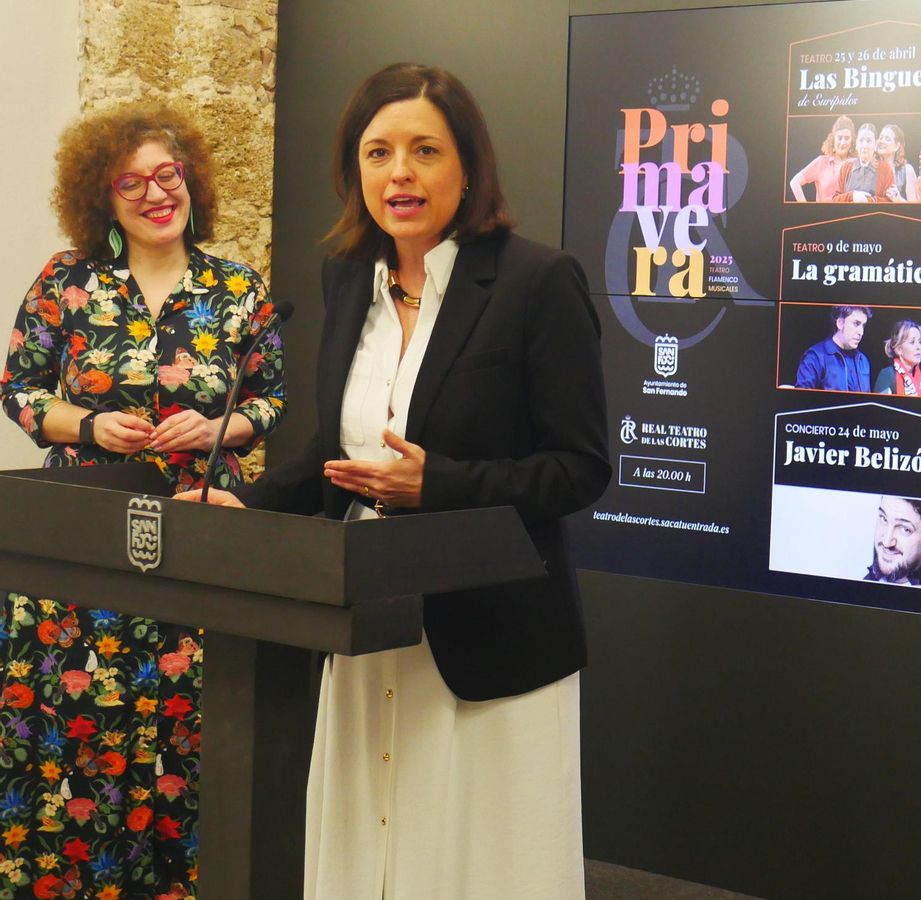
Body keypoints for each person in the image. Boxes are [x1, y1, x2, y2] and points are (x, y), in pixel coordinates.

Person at [177, 63, 609, 896]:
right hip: (367, 626)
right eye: (377, 153)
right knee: (368, 858)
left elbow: (579, 469)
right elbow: (333, 456)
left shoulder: (534, 282)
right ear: (355, 172)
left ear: (467, 167)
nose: (399, 173)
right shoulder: (349, 281)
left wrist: (436, 486)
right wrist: (244, 504)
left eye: (423, 150)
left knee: (480, 867)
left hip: (492, 640)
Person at [0, 101, 286, 898]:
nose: (157, 193)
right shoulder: (67, 280)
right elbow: (19, 394)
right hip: (82, 546)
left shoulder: (236, 289)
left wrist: (217, 430)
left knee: (186, 735)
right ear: (103, 196)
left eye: (169, 174)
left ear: (190, 178)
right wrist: (91, 423)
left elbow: (272, 404)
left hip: (198, 540)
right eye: (133, 182)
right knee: (75, 744)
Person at [795, 305, 872, 391]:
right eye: (856, 324)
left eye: (863, 326)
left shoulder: (863, 360)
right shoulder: (815, 357)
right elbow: (802, 399)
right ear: (840, 323)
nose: (861, 332)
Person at [789, 114, 854, 202]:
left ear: (852, 141)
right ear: (833, 140)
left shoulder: (857, 163)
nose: (843, 142)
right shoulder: (821, 162)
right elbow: (794, 182)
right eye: (840, 138)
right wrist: (805, 208)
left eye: (847, 138)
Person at [874, 319, 921, 396]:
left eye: (920, 342)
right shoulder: (887, 375)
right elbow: (879, 407)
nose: (919, 347)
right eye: (912, 342)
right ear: (899, 349)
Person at [872, 124, 917, 203]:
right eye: (880, 137)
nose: (881, 141)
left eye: (887, 139)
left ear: (896, 146)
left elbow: (916, 208)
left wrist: (898, 199)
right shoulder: (871, 168)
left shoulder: (907, 170)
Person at [835, 122, 878, 202]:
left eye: (869, 141)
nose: (864, 145)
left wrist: (871, 200)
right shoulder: (846, 167)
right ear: (857, 144)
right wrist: (852, 196)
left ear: (875, 145)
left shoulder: (884, 170)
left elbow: (889, 201)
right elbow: (835, 200)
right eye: (861, 140)